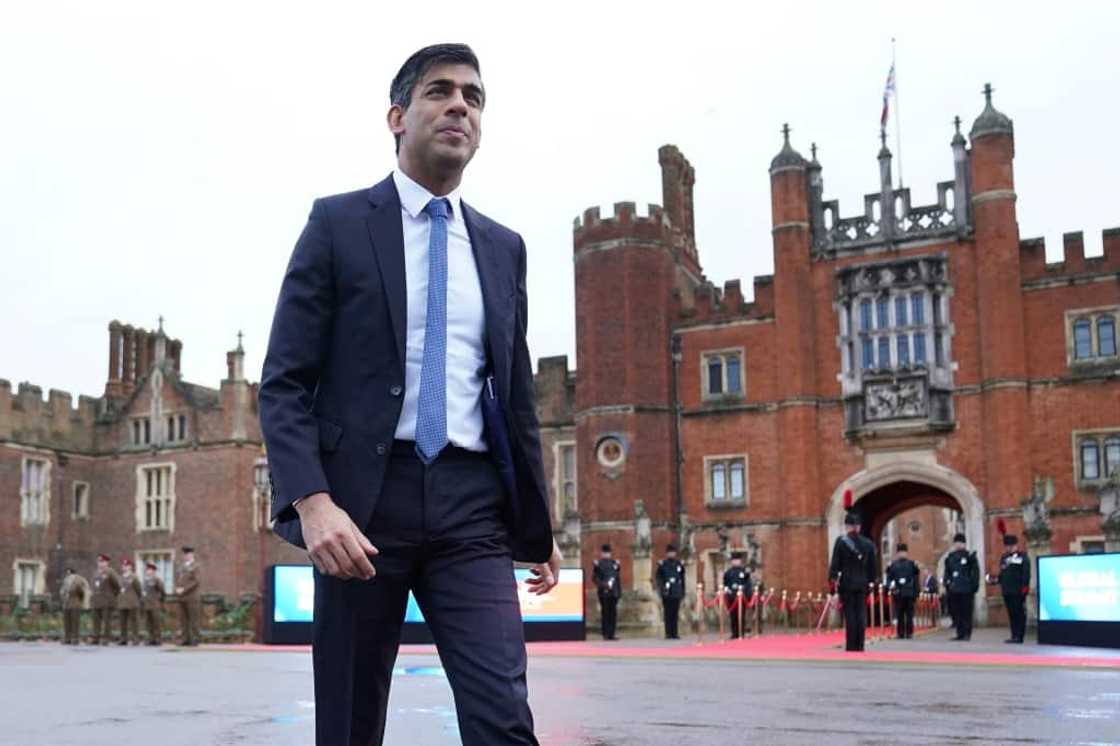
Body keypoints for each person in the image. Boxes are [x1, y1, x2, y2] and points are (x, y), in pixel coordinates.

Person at [258, 43, 560, 746]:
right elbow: (285, 381)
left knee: (504, 719)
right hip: (362, 506)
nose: (460, 106)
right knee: (351, 724)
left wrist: (536, 524)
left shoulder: (503, 246)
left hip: (471, 508)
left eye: (474, 98)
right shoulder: (336, 224)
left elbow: (515, 397)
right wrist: (313, 502)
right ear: (397, 117)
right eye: (440, 92)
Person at [828, 510, 876, 652]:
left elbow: (835, 566)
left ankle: (851, 646)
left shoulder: (841, 542)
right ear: (859, 527)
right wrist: (871, 584)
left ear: (847, 526)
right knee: (861, 614)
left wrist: (832, 589)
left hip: (847, 583)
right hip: (862, 583)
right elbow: (872, 568)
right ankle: (860, 645)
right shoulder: (868, 544)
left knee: (850, 615)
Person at [989, 534, 1030, 643]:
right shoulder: (1004, 558)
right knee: (1011, 614)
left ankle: (1019, 636)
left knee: (1019, 613)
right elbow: (1003, 574)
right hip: (1007, 590)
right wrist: (996, 580)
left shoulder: (1022, 557)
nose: (1009, 548)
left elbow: (1026, 573)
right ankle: (1014, 635)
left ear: (1016, 545)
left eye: (1011, 545)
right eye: (1007, 546)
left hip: (1018, 590)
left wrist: (1024, 588)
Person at [943, 533, 979, 641]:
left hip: (966, 589)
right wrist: (947, 583)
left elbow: (975, 572)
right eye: (957, 543)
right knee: (956, 612)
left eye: (960, 543)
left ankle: (966, 634)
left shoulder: (969, 556)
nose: (958, 545)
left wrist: (974, 586)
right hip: (954, 589)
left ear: (964, 544)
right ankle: (960, 633)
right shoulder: (950, 557)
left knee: (966, 612)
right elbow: (947, 572)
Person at [885, 543, 920, 639]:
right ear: (897, 553)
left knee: (909, 614)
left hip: (909, 592)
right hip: (898, 591)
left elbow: (916, 577)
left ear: (906, 553)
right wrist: (890, 586)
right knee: (899, 614)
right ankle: (900, 632)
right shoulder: (893, 565)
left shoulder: (911, 564)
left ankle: (909, 632)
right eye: (900, 552)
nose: (902, 554)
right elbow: (889, 578)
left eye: (904, 552)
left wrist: (916, 592)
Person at [655, 544, 685, 639]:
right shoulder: (663, 564)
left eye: (673, 552)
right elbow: (659, 578)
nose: (672, 554)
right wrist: (662, 589)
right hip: (667, 592)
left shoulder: (678, 564)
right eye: (670, 552)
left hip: (676, 591)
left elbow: (682, 578)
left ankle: (675, 632)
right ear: (667, 554)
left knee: (675, 613)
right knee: (668, 613)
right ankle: (668, 633)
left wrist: (682, 591)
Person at [593, 544, 622, 640]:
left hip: (614, 592)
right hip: (604, 592)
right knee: (605, 613)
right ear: (602, 553)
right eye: (605, 553)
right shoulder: (598, 564)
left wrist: (619, 592)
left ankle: (612, 634)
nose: (606, 554)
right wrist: (603, 585)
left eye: (608, 552)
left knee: (613, 614)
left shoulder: (614, 563)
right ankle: (605, 633)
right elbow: (595, 578)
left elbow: (617, 578)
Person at [90, 553, 120, 646]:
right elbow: (93, 586)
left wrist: (112, 595)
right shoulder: (96, 573)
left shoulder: (110, 572)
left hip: (107, 600)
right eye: (99, 561)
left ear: (107, 562)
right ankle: (96, 637)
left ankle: (106, 638)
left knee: (106, 620)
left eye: (102, 561)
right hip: (97, 600)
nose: (100, 563)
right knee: (96, 620)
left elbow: (118, 586)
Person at [722, 553, 752, 639]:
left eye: (737, 560)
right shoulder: (728, 572)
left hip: (741, 597)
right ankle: (734, 632)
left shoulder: (744, 572)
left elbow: (748, 584)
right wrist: (727, 590)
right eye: (734, 560)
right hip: (731, 596)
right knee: (733, 616)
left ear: (740, 561)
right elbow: (725, 583)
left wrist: (745, 593)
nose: (735, 562)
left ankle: (741, 632)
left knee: (741, 615)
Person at [175, 547, 201, 646]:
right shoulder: (181, 567)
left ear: (192, 555)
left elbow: (196, 581)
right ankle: (185, 639)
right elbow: (178, 579)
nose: (186, 556)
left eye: (188, 554)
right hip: (181, 597)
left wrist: (184, 589)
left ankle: (195, 638)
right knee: (183, 619)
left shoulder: (196, 566)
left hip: (192, 596)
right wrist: (176, 588)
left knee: (194, 619)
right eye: (185, 554)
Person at [59, 568, 89, 645]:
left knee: (75, 622)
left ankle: (75, 638)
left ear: (74, 574)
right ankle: (67, 638)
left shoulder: (78, 581)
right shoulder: (65, 582)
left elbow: (82, 592)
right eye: (67, 574)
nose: (68, 575)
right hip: (66, 604)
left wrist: (79, 601)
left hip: (75, 603)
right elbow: (62, 591)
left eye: (70, 573)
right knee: (67, 622)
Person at [117, 558, 142, 645]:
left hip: (132, 602)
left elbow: (138, 589)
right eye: (123, 566)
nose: (124, 567)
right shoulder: (119, 577)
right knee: (122, 622)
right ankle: (123, 638)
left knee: (134, 621)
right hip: (122, 602)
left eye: (127, 566)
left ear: (130, 567)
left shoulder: (134, 577)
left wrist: (137, 599)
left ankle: (135, 638)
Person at [141, 562, 166, 646]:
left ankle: (158, 639)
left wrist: (160, 599)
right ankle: (151, 639)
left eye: (150, 569)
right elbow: (143, 592)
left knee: (156, 623)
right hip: (147, 604)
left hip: (155, 604)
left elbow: (162, 590)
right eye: (147, 569)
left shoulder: (157, 579)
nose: (148, 571)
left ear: (153, 571)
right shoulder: (145, 580)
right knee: (148, 623)